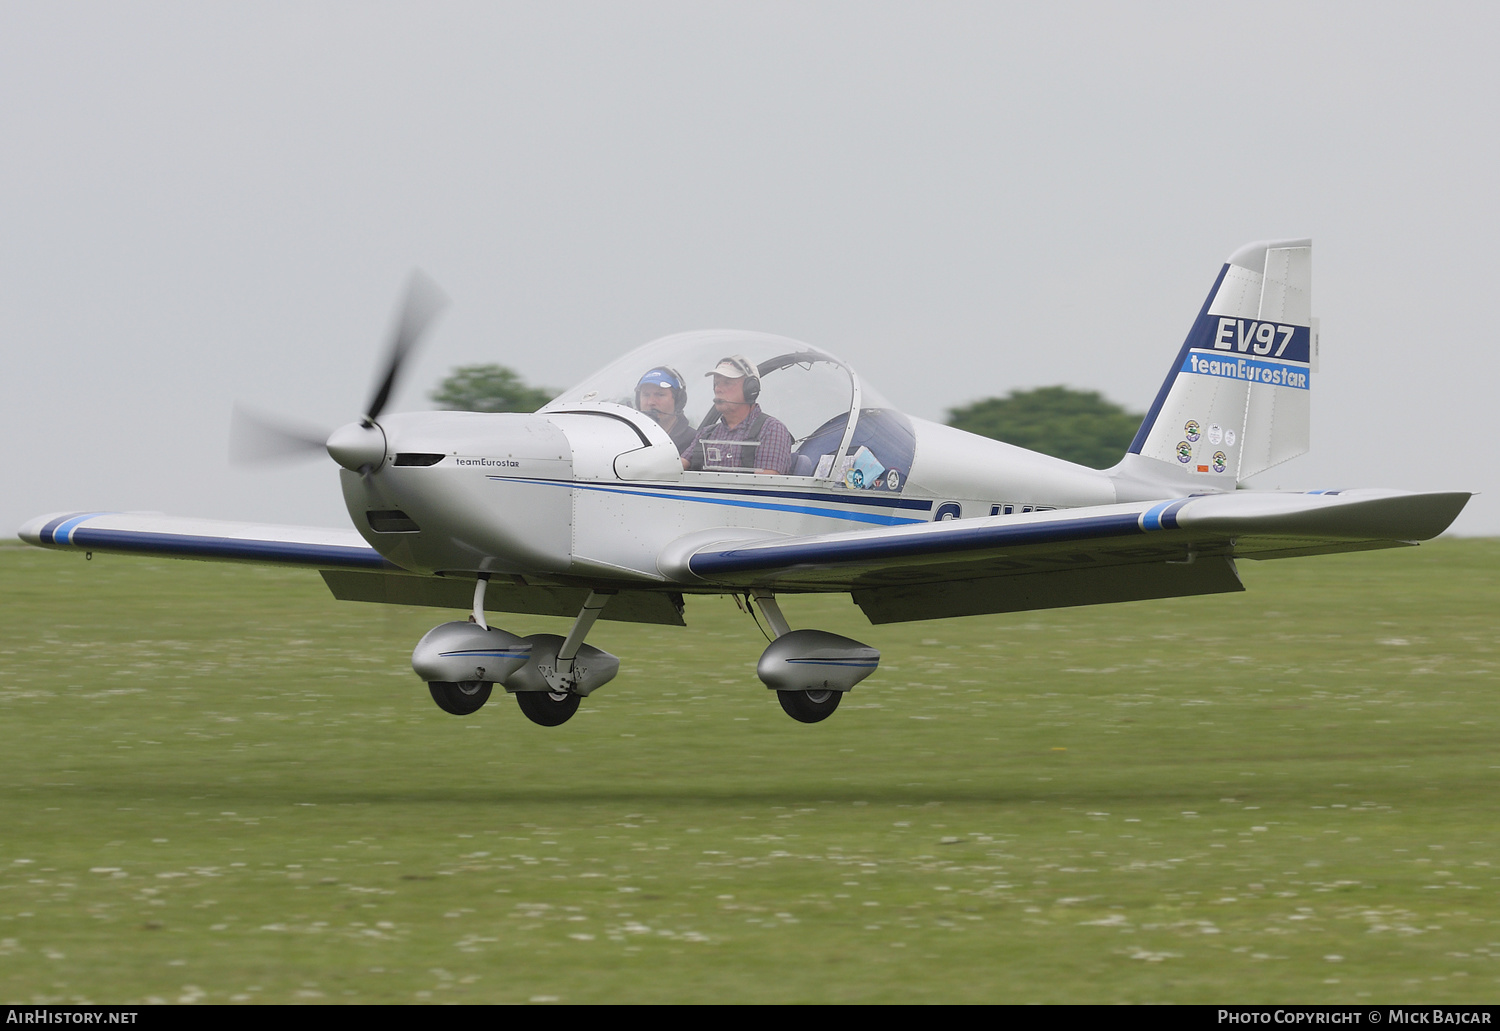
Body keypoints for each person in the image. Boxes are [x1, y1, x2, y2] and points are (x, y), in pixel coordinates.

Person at [681, 355, 794, 474]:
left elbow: (766, 485)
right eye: (716, 383)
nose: (718, 389)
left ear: (750, 389)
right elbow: (673, 471)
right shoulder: (706, 434)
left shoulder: (771, 430)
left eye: (727, 383)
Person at [634, 367, 696, 453]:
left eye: (660, 394)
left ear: (678, 401)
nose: (651, 402)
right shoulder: (630, 438)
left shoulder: (694, 442)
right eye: (646, 395)